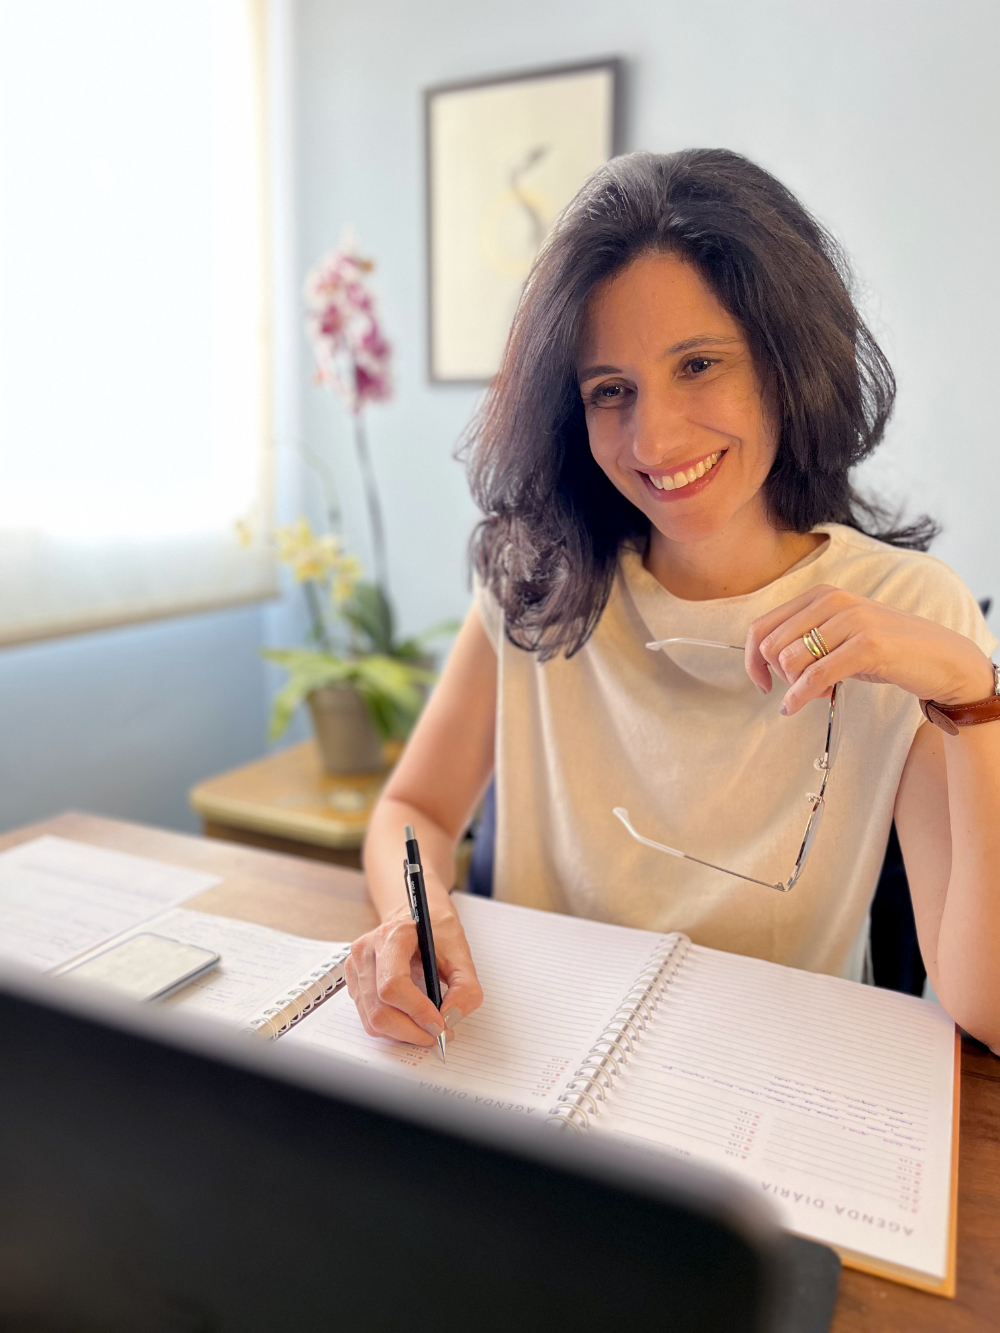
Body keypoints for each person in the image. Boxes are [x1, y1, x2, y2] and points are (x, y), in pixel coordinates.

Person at [346, 149, 1000, 1053]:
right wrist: (409, 920)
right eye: (611, 390)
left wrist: (976, 697)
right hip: (537, 1066)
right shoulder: (533, 581)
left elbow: (986, 1008)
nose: (653, 435)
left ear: (788, 361)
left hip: (773, 1099)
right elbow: (411, 809)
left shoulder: (908, 610)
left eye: (699, 364)